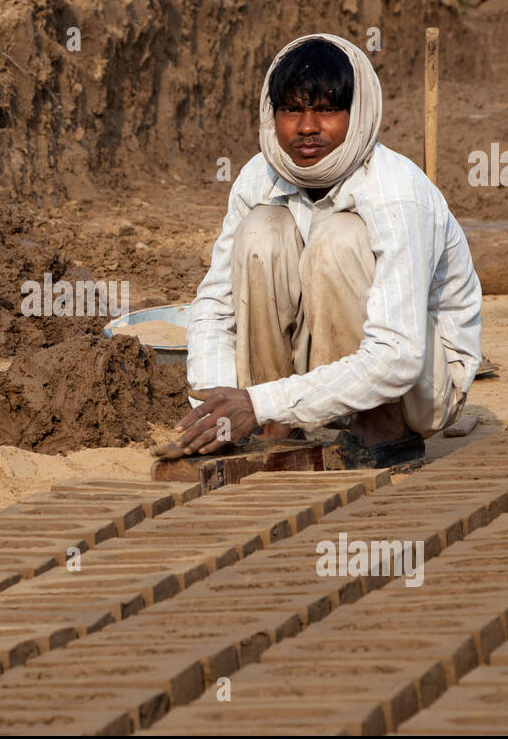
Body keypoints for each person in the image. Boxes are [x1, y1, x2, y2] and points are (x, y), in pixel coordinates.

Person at [177, 33, 482, 468]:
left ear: (356, 114)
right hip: (311, 368)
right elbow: (215, 306)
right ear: (272, 114)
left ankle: (380, 426)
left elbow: (397, 355)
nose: (306, 127)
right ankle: (278, 430)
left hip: (417, 385)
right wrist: (217, 405)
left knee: (337, 241)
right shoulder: (257, 178)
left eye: (326, 110)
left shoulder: (396, 195)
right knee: (260, 232)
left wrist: (258, 403)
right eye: (290, 110)